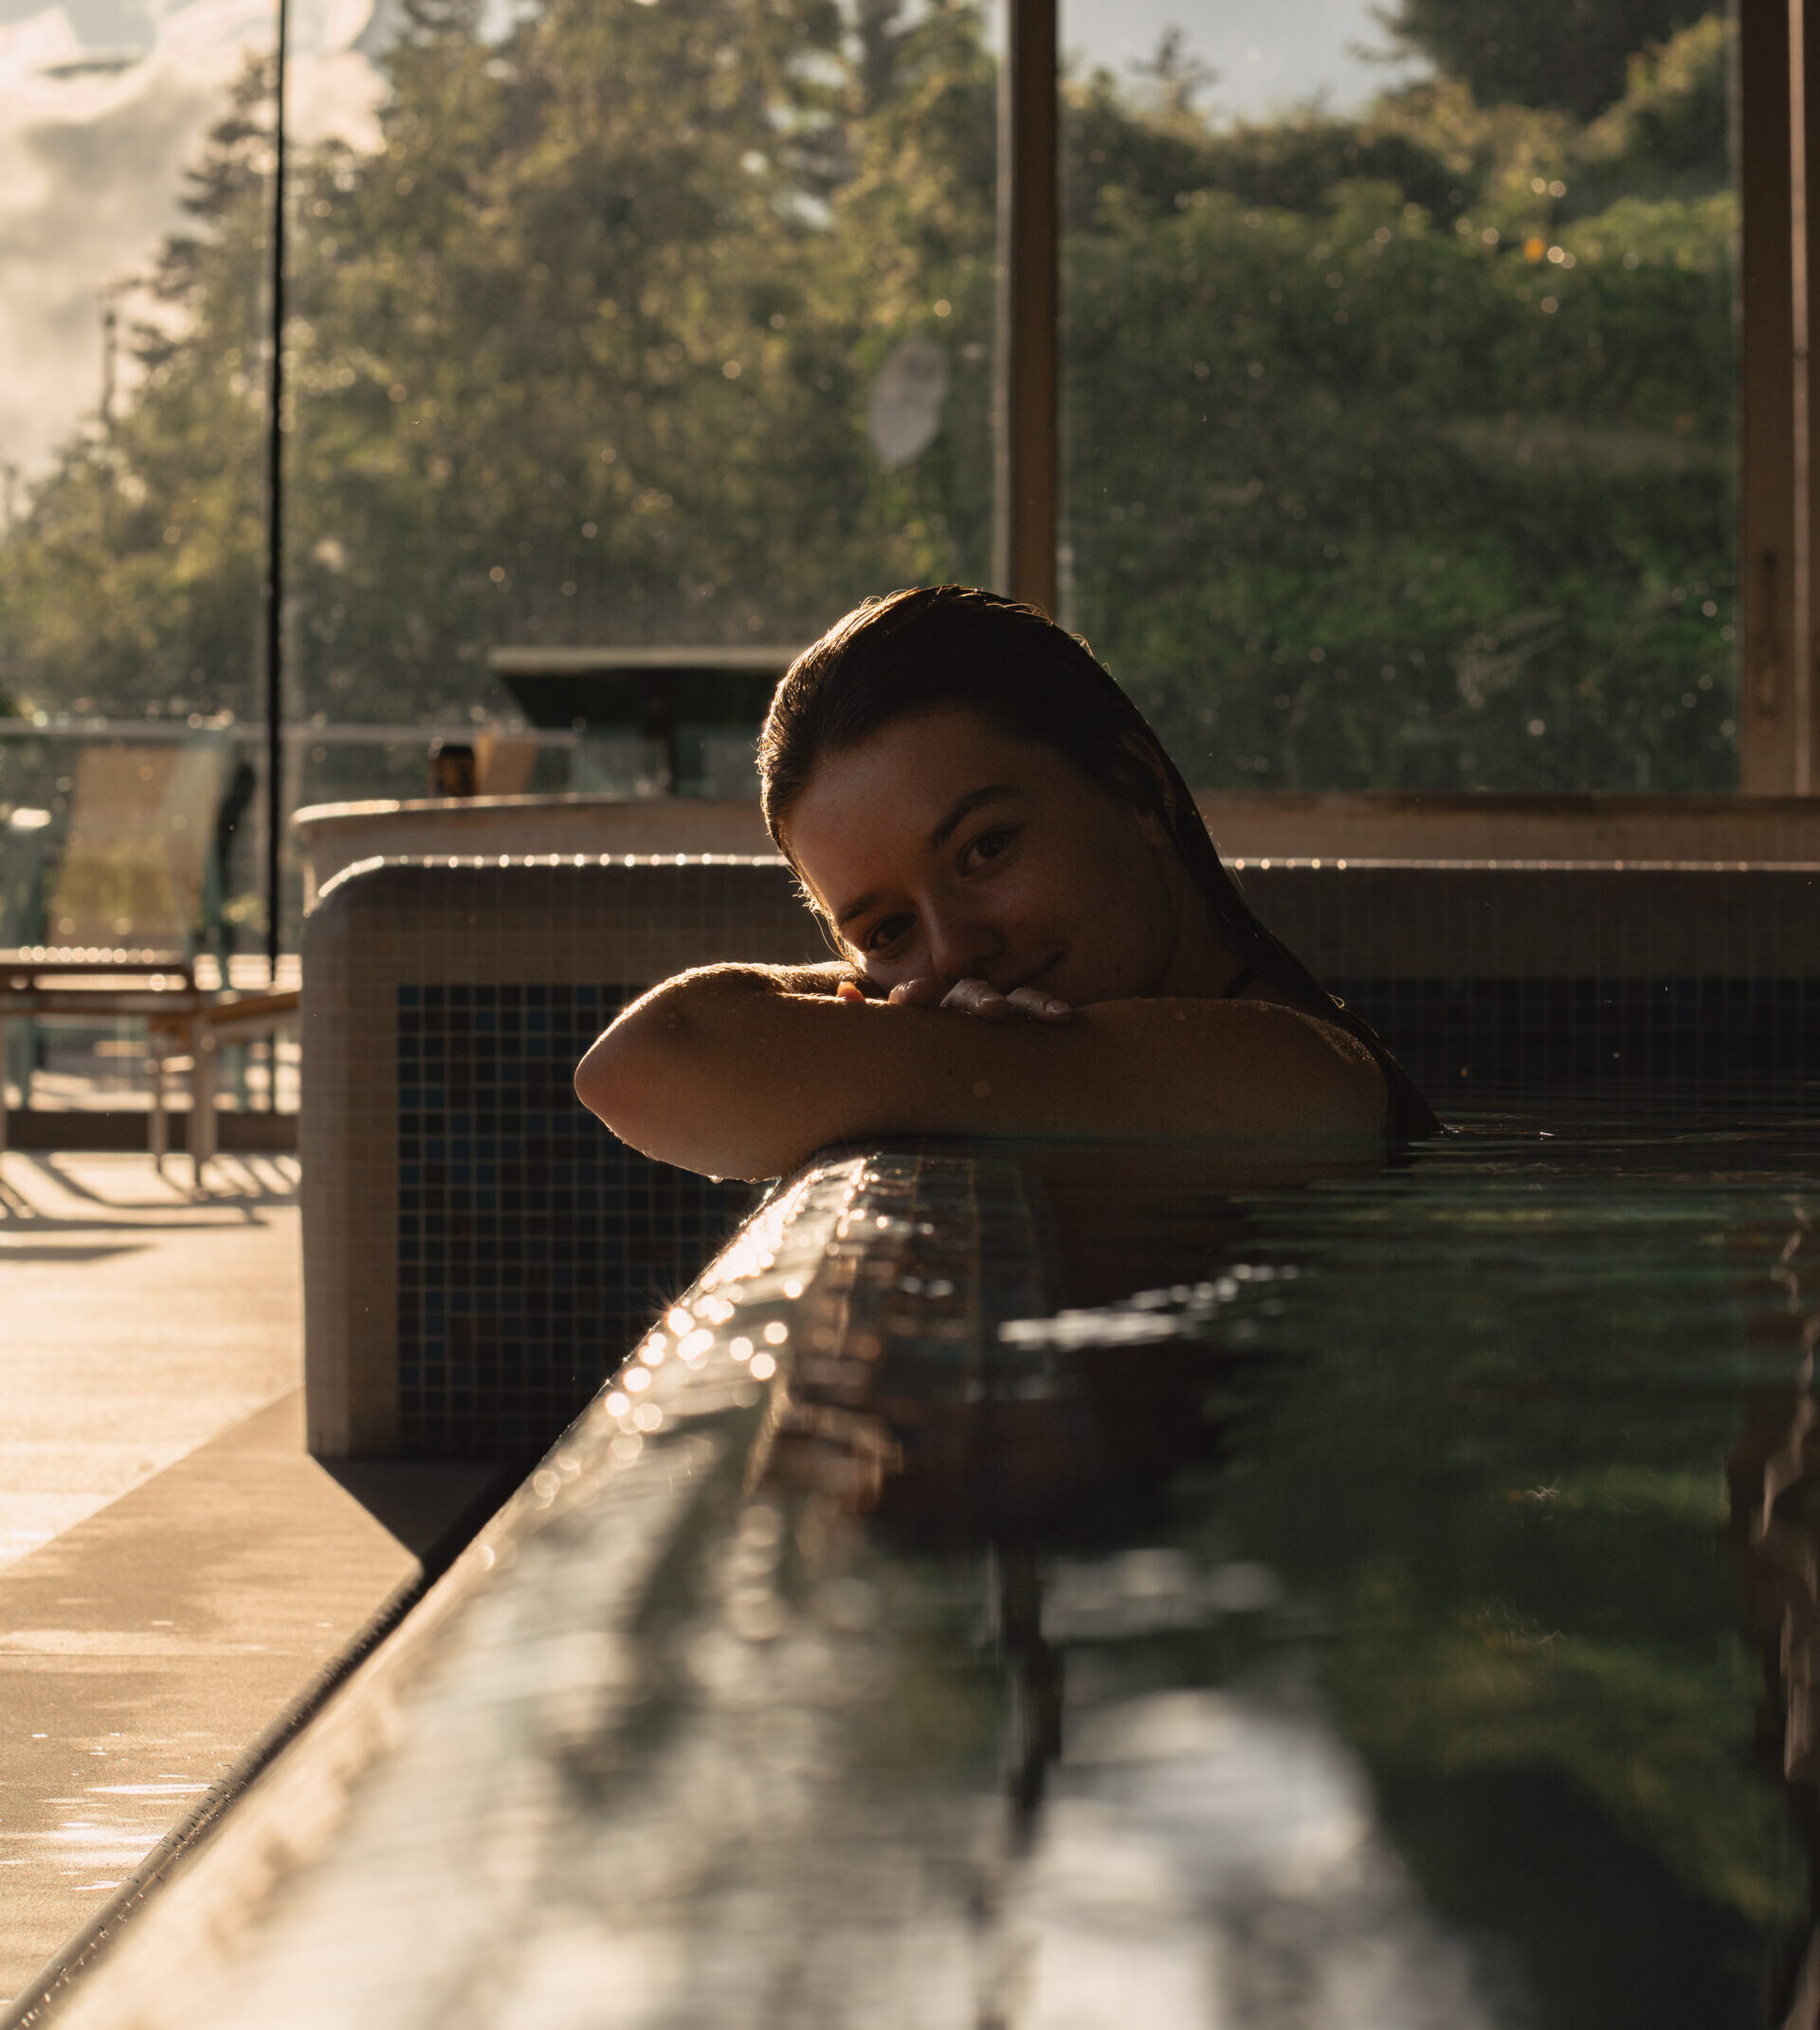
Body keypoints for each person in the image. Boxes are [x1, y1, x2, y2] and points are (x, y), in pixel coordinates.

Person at [575, 586, 1438, 1179]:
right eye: (886, 930)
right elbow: (637, 1072)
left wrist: (902, 1027)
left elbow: (664, 1055)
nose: (957, 952)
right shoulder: (1028, 1050)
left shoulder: (1289, 1074)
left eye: (985, 850)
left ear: (1137, 788)